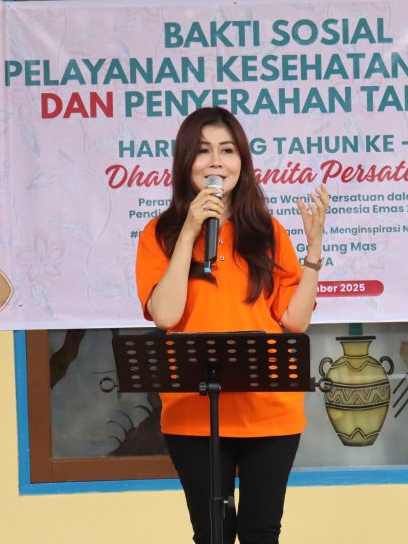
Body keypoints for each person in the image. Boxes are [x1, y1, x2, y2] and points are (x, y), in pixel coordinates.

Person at [134, 107, 328, 544]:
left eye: (227, 150)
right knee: (212, 535)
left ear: (242, 161)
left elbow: (295, 321)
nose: (217, 162)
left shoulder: (267, 232)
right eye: (203, 151)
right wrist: (189, 232)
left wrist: (313, 251)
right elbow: (165, 315)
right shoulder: (159, 234)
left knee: (261, 533)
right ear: (185, 162)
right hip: (193, 413)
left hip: (269, 410)